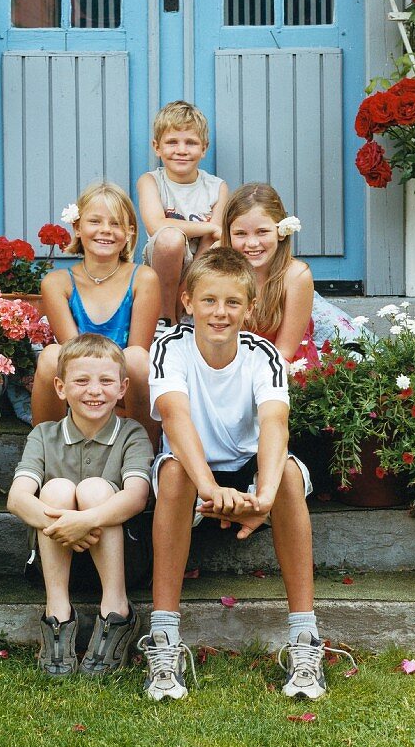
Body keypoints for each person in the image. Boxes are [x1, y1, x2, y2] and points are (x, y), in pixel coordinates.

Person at [139, 248, 350, 701]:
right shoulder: (168, 347)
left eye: (233, 303)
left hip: (249, 468)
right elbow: (174, 418)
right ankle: (164, 641)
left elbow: (275, 423)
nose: (220, 312)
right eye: (209, 300)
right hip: (194, 469)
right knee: (174, 474)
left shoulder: (264, 355)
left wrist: (267, 496)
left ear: (249, 308)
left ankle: (304, 639)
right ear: (188, 300)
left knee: (290, 475)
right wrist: (209, 489)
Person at [7, 334, 153, 677]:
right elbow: (16, 498)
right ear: (60, 387)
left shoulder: (132, 433)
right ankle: (57, 614)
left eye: (105, 381)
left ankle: (117, 612)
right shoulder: (43, 435)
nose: (94, 390)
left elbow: (136, 496)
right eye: (81, 380)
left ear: (122, 388)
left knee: (94, 490)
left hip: (123, 563)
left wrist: (85, 520)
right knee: (56, 489)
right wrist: (68, 527)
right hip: (55, 559)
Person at [31, 182, 161, 445]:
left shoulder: (143, 278)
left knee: (137, 358)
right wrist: (91, 382)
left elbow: (137, 352)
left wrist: (107, 380)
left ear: (130, 232)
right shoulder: (58, 283)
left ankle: (141, 453)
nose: (105, 230)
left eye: (116, 223)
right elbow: (72, 353)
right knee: (50, 356)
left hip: (124, 379)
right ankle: (47, 453)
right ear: (77, 228)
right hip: (79, 376)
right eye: (95, 221)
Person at [224, 182, 372, 364]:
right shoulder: (222, 273)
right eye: (240, 234)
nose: (252, 243)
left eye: (262, 232)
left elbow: (284, 353)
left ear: (281, 231)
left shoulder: (295, 276)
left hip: (283, 367)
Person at [137, 100, 229, 331]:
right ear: (157, 147)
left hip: (203, 261)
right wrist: (207, 227)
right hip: (162, 259)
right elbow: (156, 225)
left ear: (204, 148)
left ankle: (181, 307)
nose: (181, 150)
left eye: (190, 142)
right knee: (170, 238)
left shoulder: (216, 186)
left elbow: (215, 238)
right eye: (172, 142)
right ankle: (165, 318)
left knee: (220, 244)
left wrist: (186, 285)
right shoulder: (151, 181)